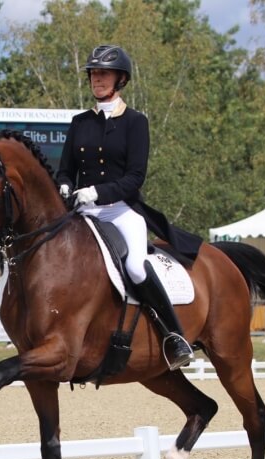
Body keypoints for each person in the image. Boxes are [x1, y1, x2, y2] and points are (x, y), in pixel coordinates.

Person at [56, 44, 202, 370]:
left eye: (103, 74)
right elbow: (65, 168)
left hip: (121, 211)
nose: (97, 79)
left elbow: (135, 177)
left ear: (120, 79)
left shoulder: (136, 122)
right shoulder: (80, 122)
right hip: (84, 212)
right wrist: (65, 184)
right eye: (93, 74)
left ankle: (173, 336)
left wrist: (96, 192)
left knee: (136, 266)